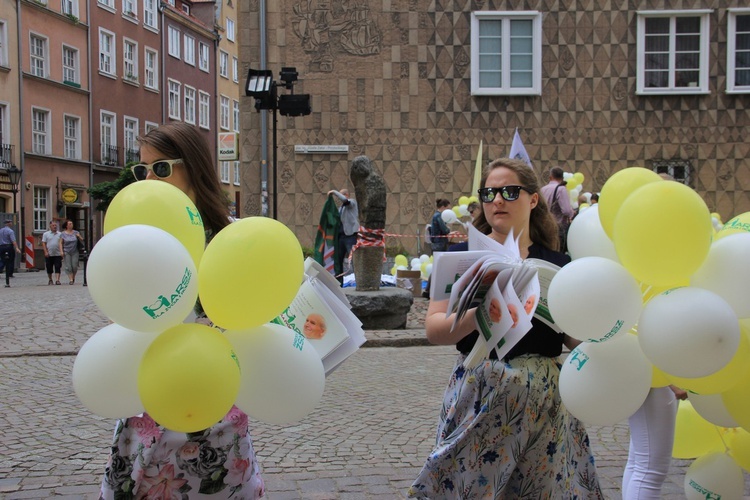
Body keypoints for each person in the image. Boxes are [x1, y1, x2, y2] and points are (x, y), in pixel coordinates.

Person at [409, 158, 603, 499]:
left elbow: (573, 338)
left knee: (543, 490)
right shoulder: (459, 256)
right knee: (469, 488)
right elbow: (434, 329)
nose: (497, 200)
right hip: (480, 390)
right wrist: (481, 312)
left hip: (547, 399)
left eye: (510, 191)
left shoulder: (558, 264)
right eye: (490, 192)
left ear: (532, 200)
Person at [99, 122, 264, 499]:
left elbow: (257, 318)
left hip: (214, 411)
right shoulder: (136, 243)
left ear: (193, 168)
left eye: (161, 168)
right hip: (148, 410)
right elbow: (123, 322)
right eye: (141, 170)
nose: (148, 181)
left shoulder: (230, 239)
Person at [622, 171, 688, 500]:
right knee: (651, 467)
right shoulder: (654, 249)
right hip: (650, 368)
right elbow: (651, 312)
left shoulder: (637, 243)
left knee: (641, 461)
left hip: (644, 365)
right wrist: (673, 376)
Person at [541, 166, 575, 252]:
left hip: (543, 227)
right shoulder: (561, 189)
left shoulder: (542, 189)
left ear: (550, 177)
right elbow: (566, 210)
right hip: (557, 228)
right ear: (562, 177)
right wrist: (572, 213)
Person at [327, 188, 359, 278]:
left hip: (350, 236)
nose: (339, 198)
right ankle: (339, 281)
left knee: (353, 259)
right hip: (341, 237)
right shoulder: (340, 209)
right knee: (338, 259)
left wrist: (334, 192)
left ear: (346, 195)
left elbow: (345, 200)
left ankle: (358, 280)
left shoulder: (352, 203)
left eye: (341, 195)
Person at [59, 220, 85, 285]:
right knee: (68, 266)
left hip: (75, 251)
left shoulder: (76, 232)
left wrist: (79, 236)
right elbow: (60, 243)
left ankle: (73, 277)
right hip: (66, 251)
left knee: (74, 266)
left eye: (72, 224)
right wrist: (61, 251)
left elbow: (82, 240)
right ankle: (70, 279)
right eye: (70, 224)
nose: (71, 225)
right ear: (67, 226)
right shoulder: (63, 234)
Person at [0, 219, 21, 287]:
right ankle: (9, 273)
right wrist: (17, 248)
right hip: (8, 246)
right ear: (9, 223)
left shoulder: (1, 230)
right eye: (11, 222)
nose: (11, 223)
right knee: (10, 260)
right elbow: (13, 240)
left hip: (1, 247)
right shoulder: (10, 231)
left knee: (2, 260)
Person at [42, 221, 63, 285]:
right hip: (49, 254)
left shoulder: (60, 234)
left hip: (57, 253)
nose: (55, 226)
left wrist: (61, 251)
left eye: (55, 225)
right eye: (53, 225)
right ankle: (50, 279)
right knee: (49, 267)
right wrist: (45, 252)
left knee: (58, 267)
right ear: (50, 226)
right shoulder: (46, 234)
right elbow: (44, 243)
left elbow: (61, 243)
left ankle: (57, 280)